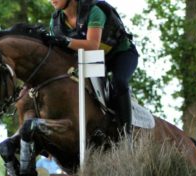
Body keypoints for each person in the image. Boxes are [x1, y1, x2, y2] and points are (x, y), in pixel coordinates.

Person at [49, 0, 138, 136]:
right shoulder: (55, 22)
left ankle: (127, 134)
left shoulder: (94, 10)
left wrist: (65, 41)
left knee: (119, 81)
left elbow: (92, 45)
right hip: (94, 60)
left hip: (120, 54)